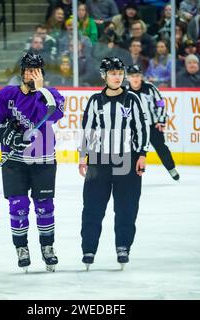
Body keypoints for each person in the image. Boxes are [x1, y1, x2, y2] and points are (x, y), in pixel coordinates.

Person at [0, 53, 65, 272]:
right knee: (18, 206)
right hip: (14, 161)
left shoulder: (52, 95)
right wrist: (10, 137)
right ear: (22, 72)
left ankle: (47, 247)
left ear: (42, 74)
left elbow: (53, 115)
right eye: (29, 70)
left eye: (36, 71)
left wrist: (41, 91)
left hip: (44, 159)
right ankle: (21, 248)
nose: (32, 74)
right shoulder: (7, 95)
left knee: (44, 206)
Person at [78, 57, 149, 269]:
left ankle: (123, 247)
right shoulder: (94, 101)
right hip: (99, 161)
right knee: (92, 208)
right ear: (104, 76)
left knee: (126, 208)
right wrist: (83, 157)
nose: (117, 77)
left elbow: (142, 128)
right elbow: (88, 130)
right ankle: (89, 249)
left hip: (127, 159)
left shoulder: (133, 100)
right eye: (113, 73)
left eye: (120, 73)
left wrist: (142, 154)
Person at [127, 64, 179, 181]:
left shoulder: (150, 88)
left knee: (161, 148)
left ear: (141, 76)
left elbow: (160, 102)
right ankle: (135, 174)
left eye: (137, 75)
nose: (135, 78)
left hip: (152, 126)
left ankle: (171, 168)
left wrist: (161, 120)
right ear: (128, 78)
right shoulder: (126, 92)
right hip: (135, 128)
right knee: (133, 151)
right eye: (132, 76)